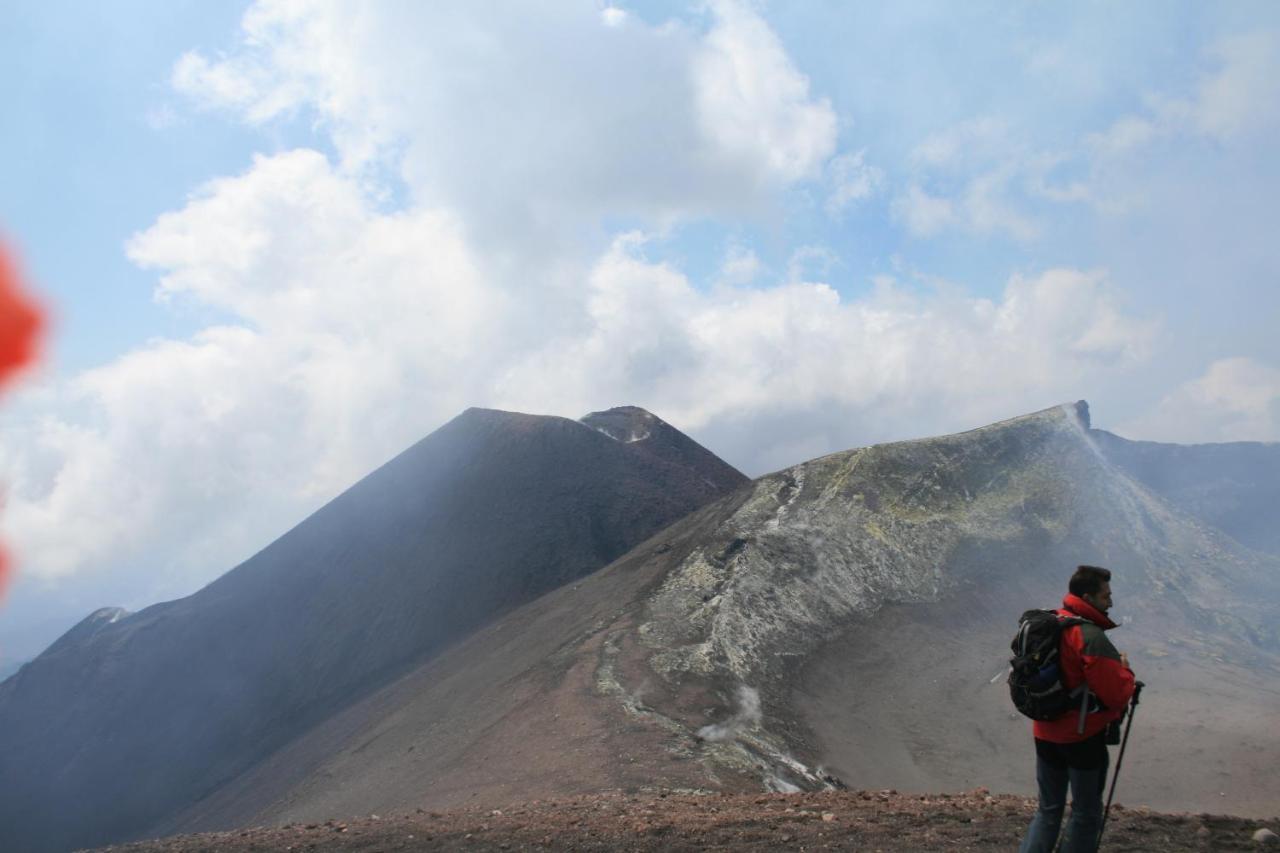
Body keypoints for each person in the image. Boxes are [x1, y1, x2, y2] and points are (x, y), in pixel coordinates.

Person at [1019, 565, 1136, 853]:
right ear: (1088, 596)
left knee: (1048, 809)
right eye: (1106, 595)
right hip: (1081, 738)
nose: (1111, 601)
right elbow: (1115, 693)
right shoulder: (1088, 635)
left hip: (1045, 731)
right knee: (1085, 813)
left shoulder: (1052, 621)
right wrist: (1127, 672)